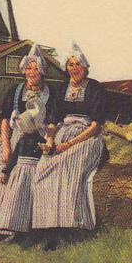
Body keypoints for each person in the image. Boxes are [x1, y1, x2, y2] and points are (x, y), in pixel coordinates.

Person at [0, 44, 57, 240]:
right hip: (13, 138)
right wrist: (6, 147)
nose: (31, 72)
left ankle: (11, 228)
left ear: (42, 72)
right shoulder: (15, 91)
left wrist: (48, 141)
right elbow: (5, 120)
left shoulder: (50, 95)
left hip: (35, 141)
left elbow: (51, 123)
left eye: (36, 69)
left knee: (22, 180)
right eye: (29, 68)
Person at [32, 41, 106, 249]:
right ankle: (47, 227)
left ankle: (71, 228)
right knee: (43, 168)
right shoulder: (62, 89)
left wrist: (70, 144)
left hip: (87, 138)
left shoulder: (95, 88)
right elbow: (54, 120)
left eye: (77, 64)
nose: (74, 69)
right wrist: (50, 140)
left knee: (66, 169)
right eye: (70, 65)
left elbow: (95, 125)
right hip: (62, 134)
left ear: (85, 67)